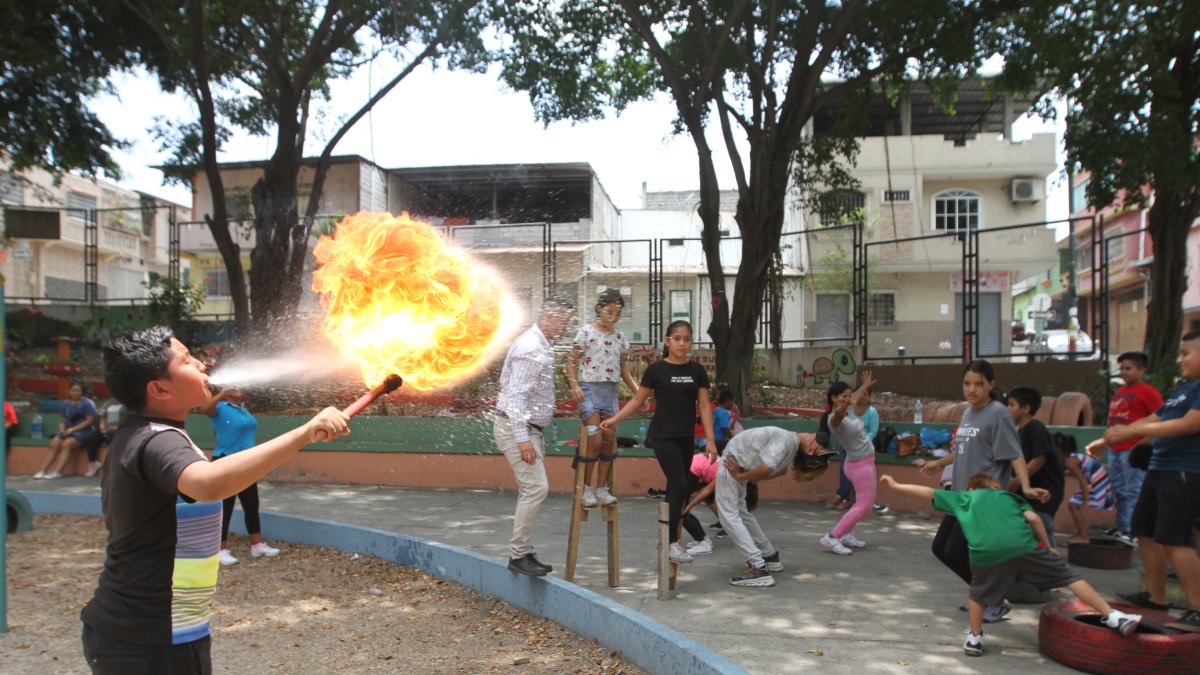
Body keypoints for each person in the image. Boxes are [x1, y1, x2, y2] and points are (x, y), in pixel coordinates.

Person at [79, 326, 348, 674]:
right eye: (187, 361)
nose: (203, 365)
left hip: (161, 631)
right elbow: (206, 485)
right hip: (147, 639)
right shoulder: (157, 441)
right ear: (159, 388)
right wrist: (302, 434)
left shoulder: (146, 433)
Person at [880, 472, 1143, 657]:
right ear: (995, 486)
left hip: (985, 553)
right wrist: (1047, 546)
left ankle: (974, 638)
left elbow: (928, 492)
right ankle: (1113, 617)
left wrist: (894, 485)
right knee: (1070, 578)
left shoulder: (965, 498)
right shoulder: (1008, 497)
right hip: (1022, 546)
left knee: (978, 593)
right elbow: (1034, 519)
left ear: (971, 489)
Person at [914, 360, 1049, 623]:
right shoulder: (969, 413)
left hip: (983, 499)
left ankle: (993, 599)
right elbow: (964, 449)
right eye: (967, 383)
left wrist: (1026, 485)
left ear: (991, 385)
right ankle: (986, 597)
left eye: (979, 384)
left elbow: (1015, 454)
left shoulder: (998, 413)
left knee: (956, 551)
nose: (972, 389)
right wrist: (938, 463)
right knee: (941, 548)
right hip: (962, 496)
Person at [1087, 331, 1200, 632]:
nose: (1180, 359)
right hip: (1159, 468)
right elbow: (1153, 418)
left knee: (1175, 539)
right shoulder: (1184, 390)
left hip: (1184, 470)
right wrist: (1107, 438)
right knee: (1145, 531)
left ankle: (1198, 608)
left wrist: (1127, 433)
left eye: (1186, 353)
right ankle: (1157, 597)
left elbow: (1191, 424)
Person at [601, 320, 718, 564]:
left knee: (679, 488)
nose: (682, 343)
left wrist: (710, 440)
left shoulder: (697, 372)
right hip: (663, 436)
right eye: (677, 338)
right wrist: (615, 420)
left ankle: (667, 537)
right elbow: (637, 401)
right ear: (667, 341)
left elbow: (704, 406)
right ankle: (672, 543)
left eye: (687, 339)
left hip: (686, 438)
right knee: (678, 484)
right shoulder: (656, 370)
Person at [495, 297, 574, 577]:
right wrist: (523, 439)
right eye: (563, 321)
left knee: (533, 488)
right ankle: (519, 554)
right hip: (519, 429)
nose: (565, 327)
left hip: (528, 430)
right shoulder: (532, 348)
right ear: (549, 318)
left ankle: (523, 552)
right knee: (536, 488)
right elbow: (516, 397)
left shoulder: (540, 344)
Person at [713, 427, 828, 587]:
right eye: (819, 449)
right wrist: (743, 476)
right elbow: (777, 473)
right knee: (740, 513)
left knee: (729, 517)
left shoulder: (786, 440)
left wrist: (740, 476)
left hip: (733, 464)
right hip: (738, 464)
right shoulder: (791, 445)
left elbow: (767, 469)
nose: (812, 450)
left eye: (816, 451)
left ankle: (758, 566)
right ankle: (768, 555)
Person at [565, 289, 640, 508]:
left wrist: (638, 391)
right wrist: (574, 384)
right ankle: (586, 488)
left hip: (610, 392)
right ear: (599, 309)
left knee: (608, 441)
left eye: (617, 313)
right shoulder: (585, 332)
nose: (613, 317)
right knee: (595, 439)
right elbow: (571, 360)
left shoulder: (619, 337)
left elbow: (623, 369)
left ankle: (602, 489)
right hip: (589, 390)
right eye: (609, 311)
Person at [199, 387, 280, 566]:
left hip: (247, 462)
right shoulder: (220, 407)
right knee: (224, 506)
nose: (241, 390)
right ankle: (220, 549)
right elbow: (203, 409)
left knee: (251, 504)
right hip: (226, 460)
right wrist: (221, 394)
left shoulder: (243, 408)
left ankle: (257, 544)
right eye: (235, 388)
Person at [1099, 351, 1163, 546]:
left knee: (1133, 489)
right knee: (1119, 489)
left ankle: (1133, 530)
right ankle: (1122, 527)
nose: (1124, 372)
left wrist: (1144, 442)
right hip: (1116, 448)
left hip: (1132, 449)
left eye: (1129, 368)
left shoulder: (1148, 392)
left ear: (1141, 371)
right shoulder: (1120, 392)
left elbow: (1160, 417)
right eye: (1122, 369)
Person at [818, 373, 879, 556]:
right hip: (859, 465)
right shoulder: (834, 419)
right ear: (834, 398)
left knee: (862, 503)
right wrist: (842, 405)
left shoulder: (847, 410)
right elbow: (837, 414)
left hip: (865, 462)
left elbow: (849, 400)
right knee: (865, 506)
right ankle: (832, 536)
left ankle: (847, 534)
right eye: (843, 396)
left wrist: (864, 385)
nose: (848, 398)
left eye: (848, 395)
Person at [1006, 387, 1065, 538]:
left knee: (1041, 527)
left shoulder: (1035, 428)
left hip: (1044, 493)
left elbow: (1040, 458)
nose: (1008, 409)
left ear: (1026, 408)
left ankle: (1051, 558)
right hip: (1029, 495)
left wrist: (1017, 481)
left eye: (1012, 405)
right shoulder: (1017, 432)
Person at [1057, 433, 1113, 545]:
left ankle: (1083, 536)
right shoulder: (1074, 457)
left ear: (1060, 450)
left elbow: (1082, 479)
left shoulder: (1070, 462)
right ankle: (1081, 533)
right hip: (1096, 479)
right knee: (1073, 505)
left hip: (1095, 481)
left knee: (1073, 505)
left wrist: (1086, 499)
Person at [35, 381, 99, 479]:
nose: (76, 393)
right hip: (68, 430)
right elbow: (62, 420)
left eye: (78, 390)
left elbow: (89, 421)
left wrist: (73, 429)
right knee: (55, 442)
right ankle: (42, 470)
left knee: (67, 443)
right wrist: (62, 430)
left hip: (84, 431)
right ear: (69, 391)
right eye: (73, 390)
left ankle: (57, 471)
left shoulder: (87, 403)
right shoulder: (65, 404)